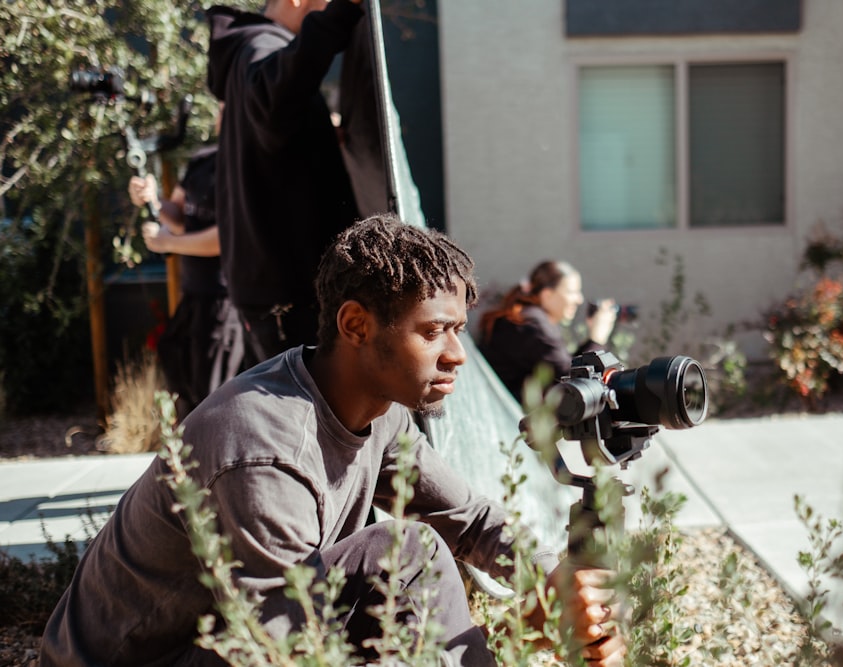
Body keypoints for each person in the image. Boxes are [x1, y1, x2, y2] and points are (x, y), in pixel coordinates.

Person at [40, 214, 625, 667]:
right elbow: (281, 651)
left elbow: (469, 520)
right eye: (432, 331)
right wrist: (520, 627)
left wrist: (551, 580)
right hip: (141, 660)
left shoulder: (378, 409)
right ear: (355, 325)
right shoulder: (266, 448)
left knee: (395, 559)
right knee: (405, 555)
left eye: (457, 330)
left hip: (241, 631)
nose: (456, 355)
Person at [205, 0, 364, 366]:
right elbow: (274, 98)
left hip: (279, 292)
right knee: (306, 417)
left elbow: (275, 137)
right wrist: (342, 14)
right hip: (292, 299)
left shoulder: (250, 50)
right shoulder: (260, 45)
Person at [128, 110, 244, 418]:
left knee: (212, 398)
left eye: (227, 106)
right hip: (193, 294)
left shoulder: (244, 165)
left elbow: (225, 237)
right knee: (178, 372)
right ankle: (189, 462)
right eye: (220, 107)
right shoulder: (202, 160)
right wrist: (152, 200)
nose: (223, 112)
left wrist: (168, 243)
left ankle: (212, 462)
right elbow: (180, 217)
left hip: (224, 299)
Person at [479, 260, 618, 404]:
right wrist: (597, 338)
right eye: (572, 292)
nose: (579, 300)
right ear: (547, 295)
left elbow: (565, 367)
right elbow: (571, 380)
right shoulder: (532, 325)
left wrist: (593, 340)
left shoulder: (531, 318)